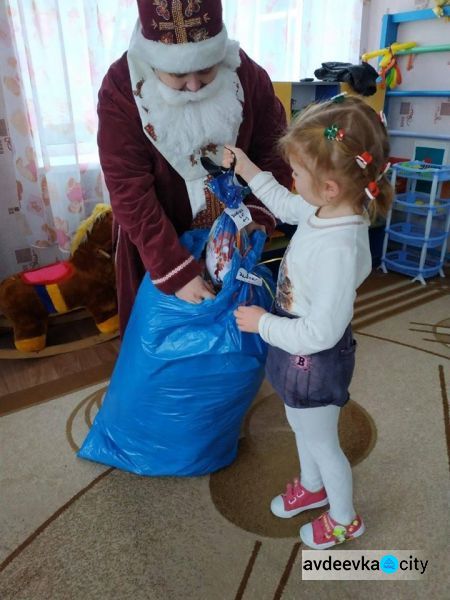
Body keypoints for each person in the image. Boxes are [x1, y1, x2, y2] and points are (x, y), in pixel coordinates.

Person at [223, 94, 393, 550]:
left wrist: (262, 324)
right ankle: (314, 487)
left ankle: (343, 519)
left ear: (331, 187)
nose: (292, 181)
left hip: (313, 358)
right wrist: (246, 169)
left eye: (297, 173)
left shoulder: (340, 247)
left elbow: (322, 332)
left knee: (323, 442)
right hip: (293, 345)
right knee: (302, 427)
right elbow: (283, 203)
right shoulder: (321, 210)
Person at [97, 0, 291, 334]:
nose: (194, 85)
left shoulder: (249, 75)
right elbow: (127, 186)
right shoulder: (121, 87)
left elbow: (275, 151)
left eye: (205, 69)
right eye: (177, 74)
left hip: (235, 235)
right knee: (165, 339)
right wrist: (175, 268)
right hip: (159, 239)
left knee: (233, 332)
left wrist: (257, 216)